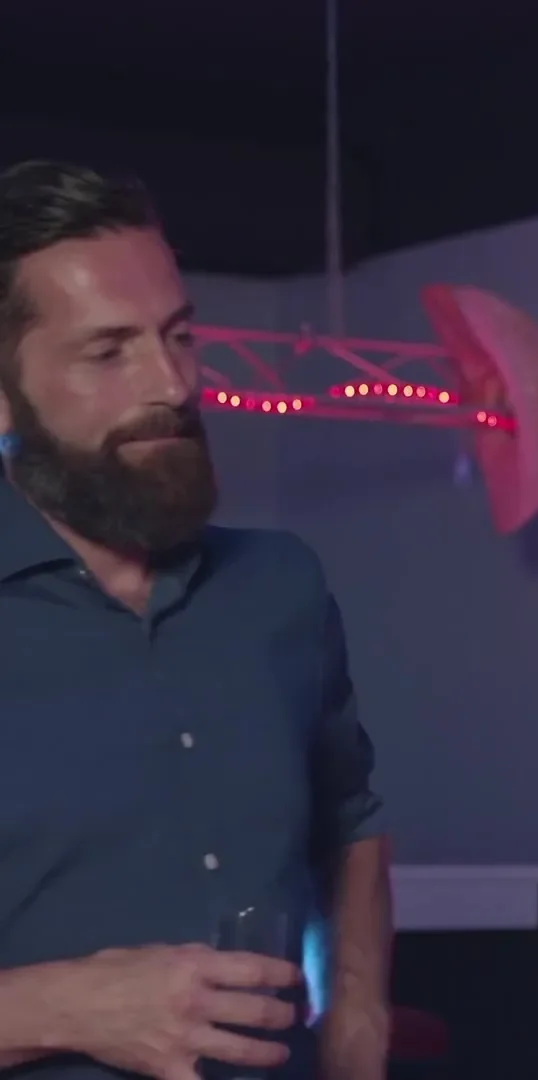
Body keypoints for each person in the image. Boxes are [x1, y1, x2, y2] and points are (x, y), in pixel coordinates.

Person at [0, 161, 392, 1080]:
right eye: (109, 352)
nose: (171, 383)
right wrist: (63, 1007)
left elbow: (351, 818)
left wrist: (358, 1020)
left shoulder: (281, 588)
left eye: (179, 337)